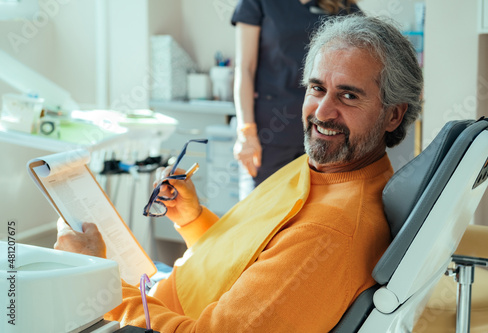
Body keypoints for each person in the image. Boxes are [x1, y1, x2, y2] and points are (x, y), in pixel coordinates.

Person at [55, 15, 423, 332]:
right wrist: (194, 219)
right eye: (317, 88)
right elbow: (252, 261)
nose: (322, 113)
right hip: (161, 298)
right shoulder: (322, 169)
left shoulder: (330, 232)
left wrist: (92, 277)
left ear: (393, 115)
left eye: (348, 96)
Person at [232, 0, 361, 199]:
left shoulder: (342, 7)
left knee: (314, 218)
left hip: (325, 132)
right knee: (258, 216)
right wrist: (245, 131)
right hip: (269, 135)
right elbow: (245, 69)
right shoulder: (257, 3)